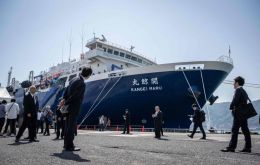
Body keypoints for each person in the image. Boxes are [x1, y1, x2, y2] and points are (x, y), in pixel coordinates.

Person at [61, 67, 92, 151]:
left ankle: (65, 144)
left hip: (68, 108)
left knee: (68, 126)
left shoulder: (73, 79)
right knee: (71, 127)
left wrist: (64, 100)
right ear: (88, 75)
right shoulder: (82, 83)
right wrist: (66, 102)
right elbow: (75, 96)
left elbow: (66, 90)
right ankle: (70, 146)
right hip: (74, 107)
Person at [221, 76, 252, 153]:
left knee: (234, 130)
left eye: (234, 82)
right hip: (244, 114)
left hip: (238, 113)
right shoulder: (244, 91)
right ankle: (248, 148)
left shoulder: (238, 90)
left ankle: (231, 147)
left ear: (237, 83)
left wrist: (231, 107)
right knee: (245, 130)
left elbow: (235, 100)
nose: (233, 84)